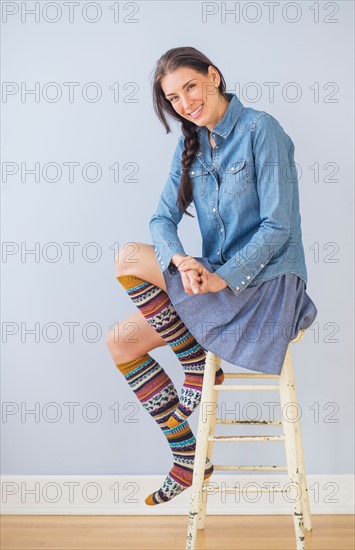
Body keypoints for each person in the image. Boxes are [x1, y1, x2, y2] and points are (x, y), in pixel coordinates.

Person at [106, 46, 318, 507]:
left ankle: (195, 363)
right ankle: (188, 458)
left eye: (190, 87)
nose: (185, 103)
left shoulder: (262, 130)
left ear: (213, 77)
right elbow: (161, 220)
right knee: (121, 341)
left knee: (128, 256)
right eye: (173, 98)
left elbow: (280, 226)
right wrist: (183, 261)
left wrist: (225, 278)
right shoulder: (192, 146)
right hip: (216, 284)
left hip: (264, 290)